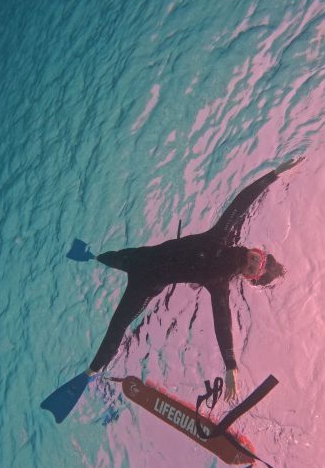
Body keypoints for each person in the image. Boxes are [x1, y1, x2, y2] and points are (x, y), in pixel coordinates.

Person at [81, 157, 303, 401]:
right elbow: (242, 203)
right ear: (256, 251)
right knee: (108, 258)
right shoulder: (222, 235)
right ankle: (90, 256)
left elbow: (223, 322)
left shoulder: (220, 283)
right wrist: (274, 174)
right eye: (254, 259)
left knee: (118, 325)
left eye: (253, 269)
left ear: (250, 278)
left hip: (146, 285)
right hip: (140, 257)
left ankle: (90, 374)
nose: (249, 263)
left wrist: (231, 365)